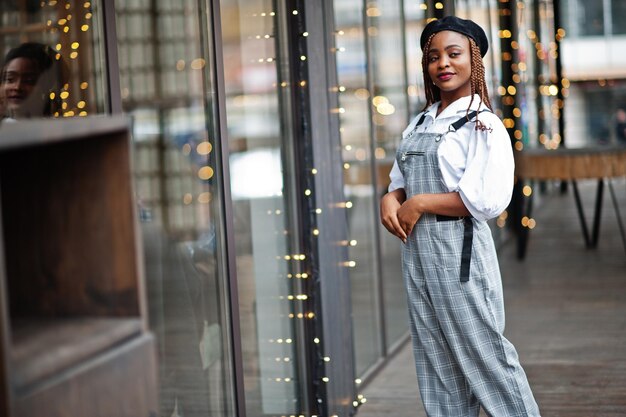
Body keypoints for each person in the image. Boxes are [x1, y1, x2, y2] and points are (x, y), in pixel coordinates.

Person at [380, 16, 541, 416]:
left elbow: (485, 200)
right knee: (436, 359)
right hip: (417, 251)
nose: (443, 64)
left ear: (474, 59)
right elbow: (399, 181)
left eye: (454, 54)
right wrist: (390, 197)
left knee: (484, 354)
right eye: (434, 57)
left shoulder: (483, 125)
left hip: (460, 251)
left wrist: (419, 203)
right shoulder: (420, 121)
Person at [0, 42, 65, 120]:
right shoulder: (4, 127)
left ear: (45, 85)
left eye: (29, 80)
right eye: (10, 79)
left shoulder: (54, 128)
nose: (17, 87)